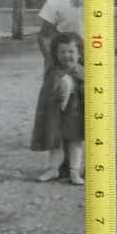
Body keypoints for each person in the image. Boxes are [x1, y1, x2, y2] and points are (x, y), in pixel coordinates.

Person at [31, 0, 85, 180]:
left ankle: (78, 167)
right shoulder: (56, 1)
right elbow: (43, 35)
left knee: (83, 114)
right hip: (64, 60)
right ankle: (55, 166)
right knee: (59, 112)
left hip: (91, 61)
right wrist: (53, 63)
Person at [32, 32, 85, 185]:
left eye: (71, 52)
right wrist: (61, 85)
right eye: (62, 52)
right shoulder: (54, 72)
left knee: (75, 141)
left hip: (76, 113)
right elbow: (47, 93)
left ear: (79, 53)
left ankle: (74, 171)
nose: (66, 56)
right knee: (56, 141)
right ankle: (53, 169)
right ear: (55, 54)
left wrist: (78, 84)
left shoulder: (83, 71)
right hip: (57, 114)